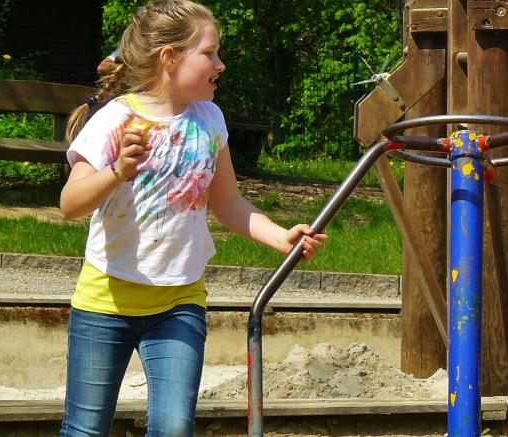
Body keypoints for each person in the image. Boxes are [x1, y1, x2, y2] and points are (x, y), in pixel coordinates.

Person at [59, 1, 327, 435]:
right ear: (170, 58)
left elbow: (229, 205)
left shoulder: (210, 120)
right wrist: (117, 172)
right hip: (104, 302)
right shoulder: (117, 119)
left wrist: (282, 236)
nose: (220, 64)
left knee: (174, 429)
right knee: (85, 430)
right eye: (210, 53)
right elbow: (71, 204)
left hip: (179, 302)